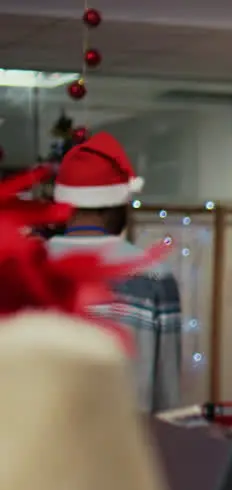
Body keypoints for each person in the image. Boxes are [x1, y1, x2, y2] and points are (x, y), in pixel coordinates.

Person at [44, 131, 184, 413]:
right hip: (122, 449)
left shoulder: (24, 267)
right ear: (119, 207)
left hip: (36, 450)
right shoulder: (154, 276)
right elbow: (166, 395)